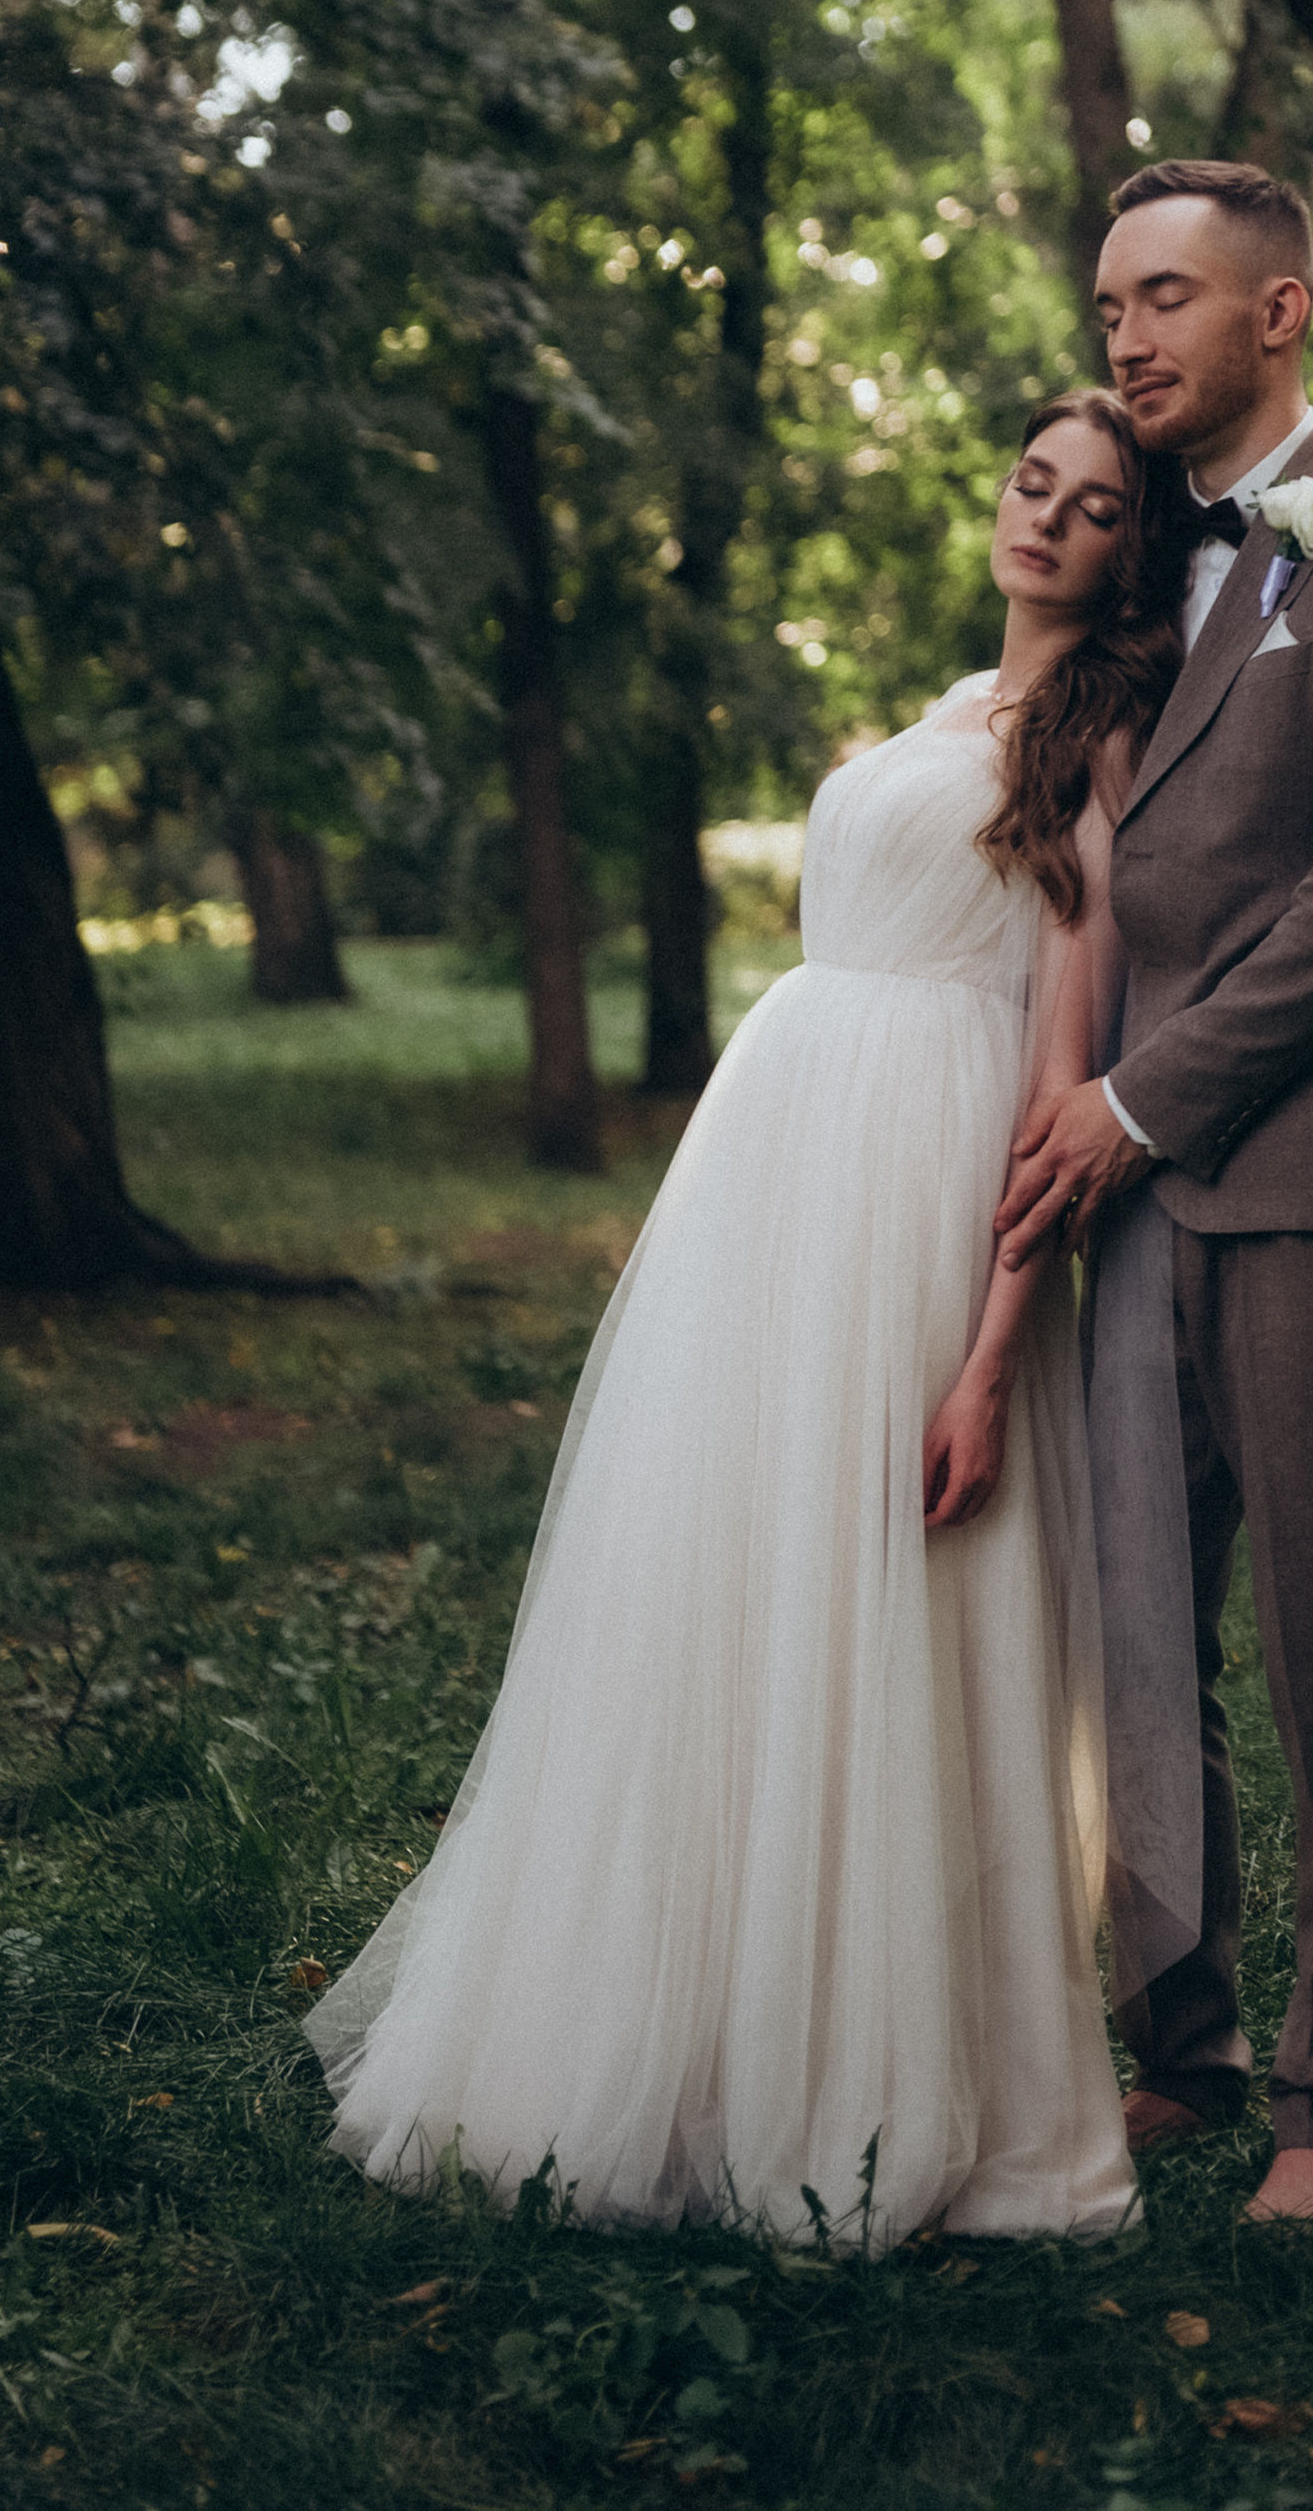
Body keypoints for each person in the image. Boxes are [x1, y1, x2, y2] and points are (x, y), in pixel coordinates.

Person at [308, 386, 1187, 2243]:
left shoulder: (1101, 743)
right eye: (1033, 480)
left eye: (1094, 504)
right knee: (729, 1585)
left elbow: (1058, 1078)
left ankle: (876, 2065)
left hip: (920, 1210)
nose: (1045, 516)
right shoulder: (951, 709)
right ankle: (684, 2034)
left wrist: (989, 1352)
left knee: (895, 1604)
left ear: (1132, 550)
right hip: (777, 1191)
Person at [997, 159, 1313, 2227]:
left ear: (1282, 308)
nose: (1127, 334)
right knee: (1134, 1639)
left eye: (1170, 297)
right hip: (1134, 1197)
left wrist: (1133, 1102)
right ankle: (1185, 2048)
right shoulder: (1145, 567)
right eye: (1111, 298)